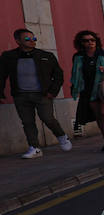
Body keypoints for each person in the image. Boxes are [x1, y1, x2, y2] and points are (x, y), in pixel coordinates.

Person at [1, 27, 71, 158]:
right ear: (17, 41)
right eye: (27, 39)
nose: (32, 41)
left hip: (42, 95)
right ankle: (34, 148)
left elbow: (58, 75)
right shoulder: (8, 56)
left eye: (34, 38)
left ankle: (62, 136)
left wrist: (52, 92)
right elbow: (1, 75)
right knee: (27, 122)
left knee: (47, 118)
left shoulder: (46, 56)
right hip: (20, 95)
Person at [70, 30, 104, 153]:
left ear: (96, 41)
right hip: (88, 90)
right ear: (81, 43)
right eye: (86, 41)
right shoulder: (78, 57)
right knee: (98, 115)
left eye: (92, 40)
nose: (90, 43)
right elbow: (76, 74)